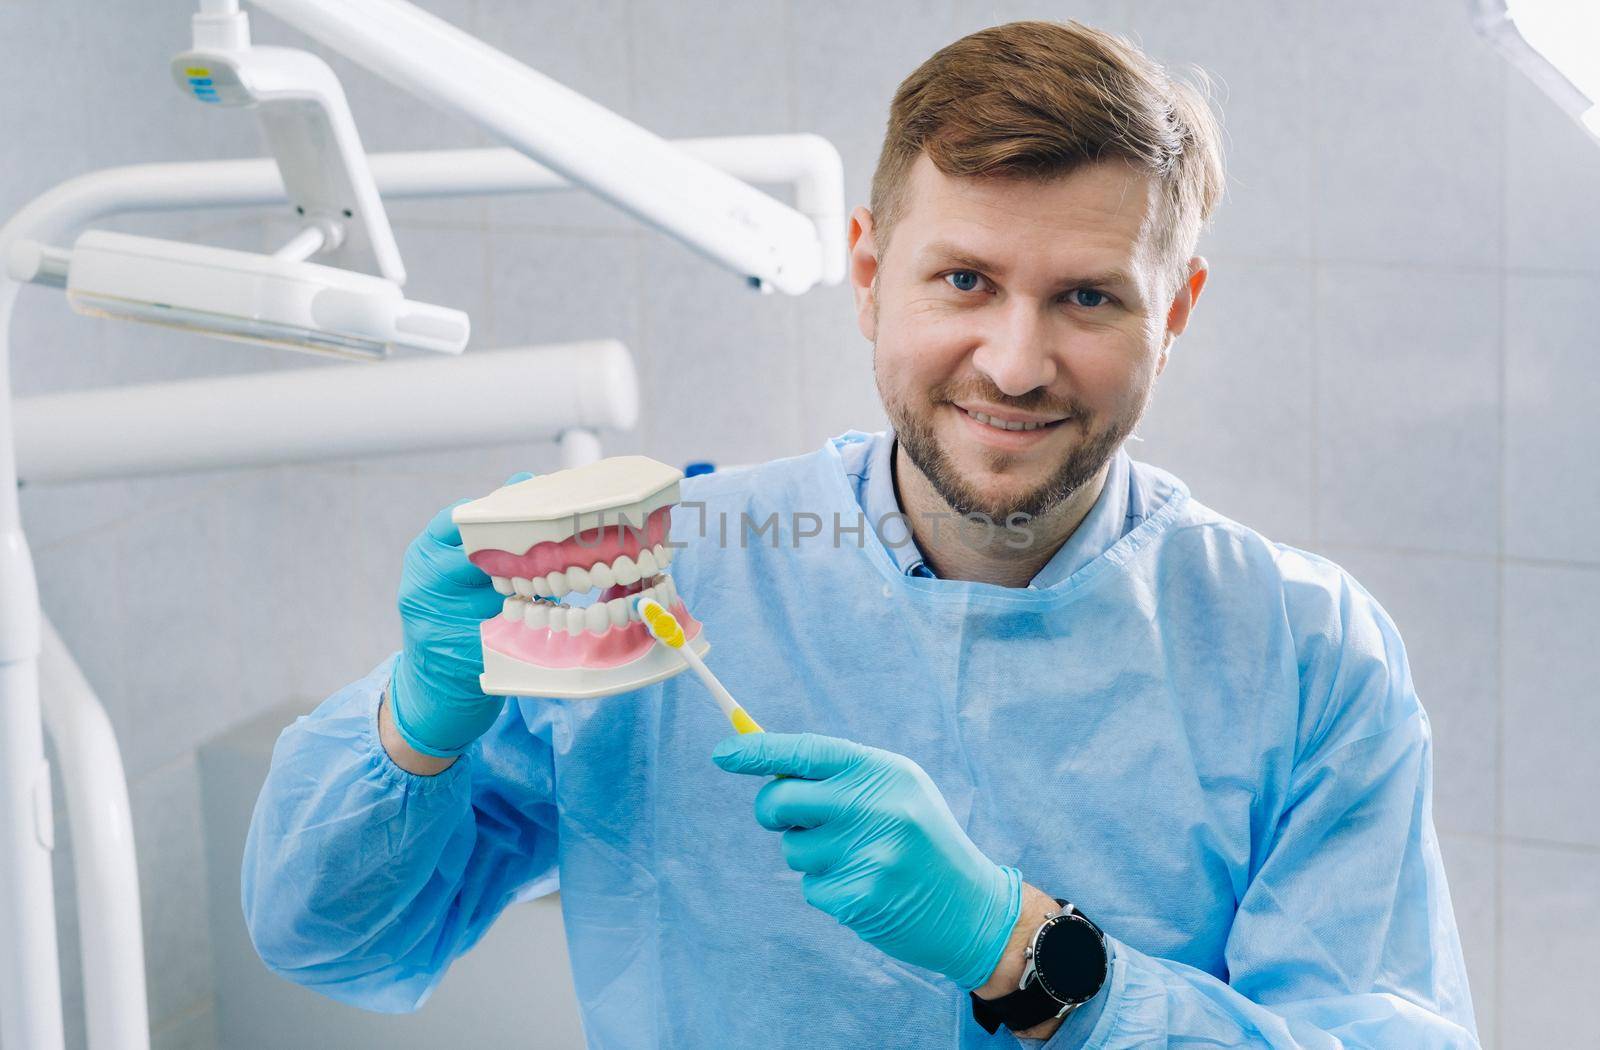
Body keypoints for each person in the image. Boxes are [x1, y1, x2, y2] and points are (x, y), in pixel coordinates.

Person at [242, 20, 1480, 1049]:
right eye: (963, 281)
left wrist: (1030, 955)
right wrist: (417, 729)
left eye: (1088, 298)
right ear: (867, 272)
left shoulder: (1305, 652)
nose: (1014, 361)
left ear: (1178, 312)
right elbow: (329, 940)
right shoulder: (659, 577)